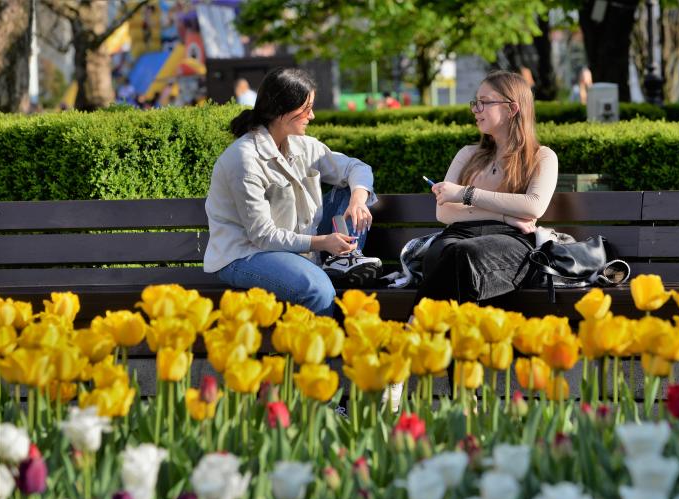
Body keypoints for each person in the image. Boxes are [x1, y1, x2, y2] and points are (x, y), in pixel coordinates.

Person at [204, 68, 382, 316]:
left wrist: (358, 201)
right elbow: (262, 237)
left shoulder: (303, 145)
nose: (312, 116)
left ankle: (342, 262)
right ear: (281, 110)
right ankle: (317, 354)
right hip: (246, 255)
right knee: (318, 289)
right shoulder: (244, 159)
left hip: (298, 247)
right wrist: (323, 242)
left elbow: (357, 168)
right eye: (306, 108)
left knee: (348, 191)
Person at [415, 70, 558, 306]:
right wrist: (505, 216)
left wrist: (465, 194)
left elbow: (533, 206)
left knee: (463, 255)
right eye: (475, 102)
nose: (475, 109)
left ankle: (421, 326)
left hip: (510, 241)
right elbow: (444, 212)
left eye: (484, 102)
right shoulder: (467, 154)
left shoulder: (541, 156)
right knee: (440, 255)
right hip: (460, 235)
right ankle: (448, 331)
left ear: (512, 109)